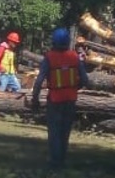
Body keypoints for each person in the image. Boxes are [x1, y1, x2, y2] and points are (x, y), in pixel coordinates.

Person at [31, 27, 89, 170]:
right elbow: (85, 80)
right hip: (70, 100)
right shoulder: (75, 57)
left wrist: (35, 99)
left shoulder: (49, 57)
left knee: (54, 131)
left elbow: (39, 81)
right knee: (65, 131)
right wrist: (75, 88)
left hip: (55, 99)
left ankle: (54, 162)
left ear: (54, 41)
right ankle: (61, 160)